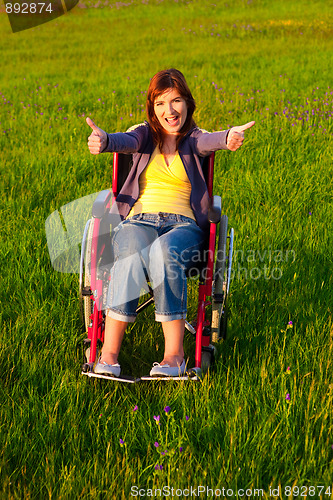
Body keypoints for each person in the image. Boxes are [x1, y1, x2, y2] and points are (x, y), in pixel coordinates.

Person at [86, 68, 254, 377]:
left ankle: (174, 357)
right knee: (130, 249)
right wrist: (105, 140)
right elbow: (125, 142)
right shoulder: (143, 134)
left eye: (176, 101)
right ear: (152, 107)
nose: (169, 110)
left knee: (164, 251)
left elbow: (210, 142)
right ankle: (108, 355)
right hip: (139, 220)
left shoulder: (194, 139)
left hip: (183, 226)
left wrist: (228, 137)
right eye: (161, 103)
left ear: (187, 103)